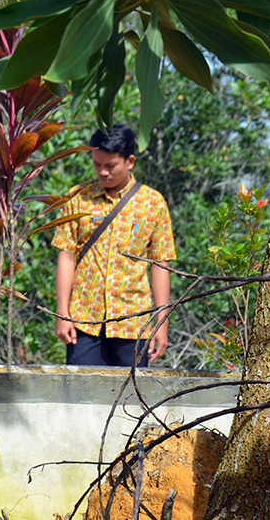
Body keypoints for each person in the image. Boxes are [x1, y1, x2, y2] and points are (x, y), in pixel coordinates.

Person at [52, 125, 175, 367]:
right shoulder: (78, 197)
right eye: (97, 164)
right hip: (83, 319)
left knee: (130, 389)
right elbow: (66, 255)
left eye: (110, 165)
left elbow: (159, 263)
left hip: (132, 321)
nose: (103, 172)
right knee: (82, 389)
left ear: (130, 162)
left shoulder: (153, 202)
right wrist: (62, 313)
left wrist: (162, 322)